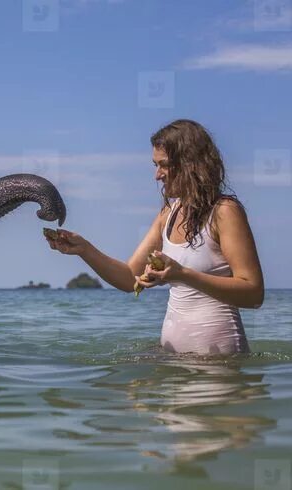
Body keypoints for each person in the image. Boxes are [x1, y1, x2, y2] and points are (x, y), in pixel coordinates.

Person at [45, 120, 264, 355]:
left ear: (191, 164)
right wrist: (84, 249)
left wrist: (183, 275)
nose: (157, 175)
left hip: (221, 368)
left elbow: (253, 293)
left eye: (164, 165)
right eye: (155, 165)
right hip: (175, 368)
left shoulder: (224, 211)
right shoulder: (167, 215)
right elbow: (130, 278)